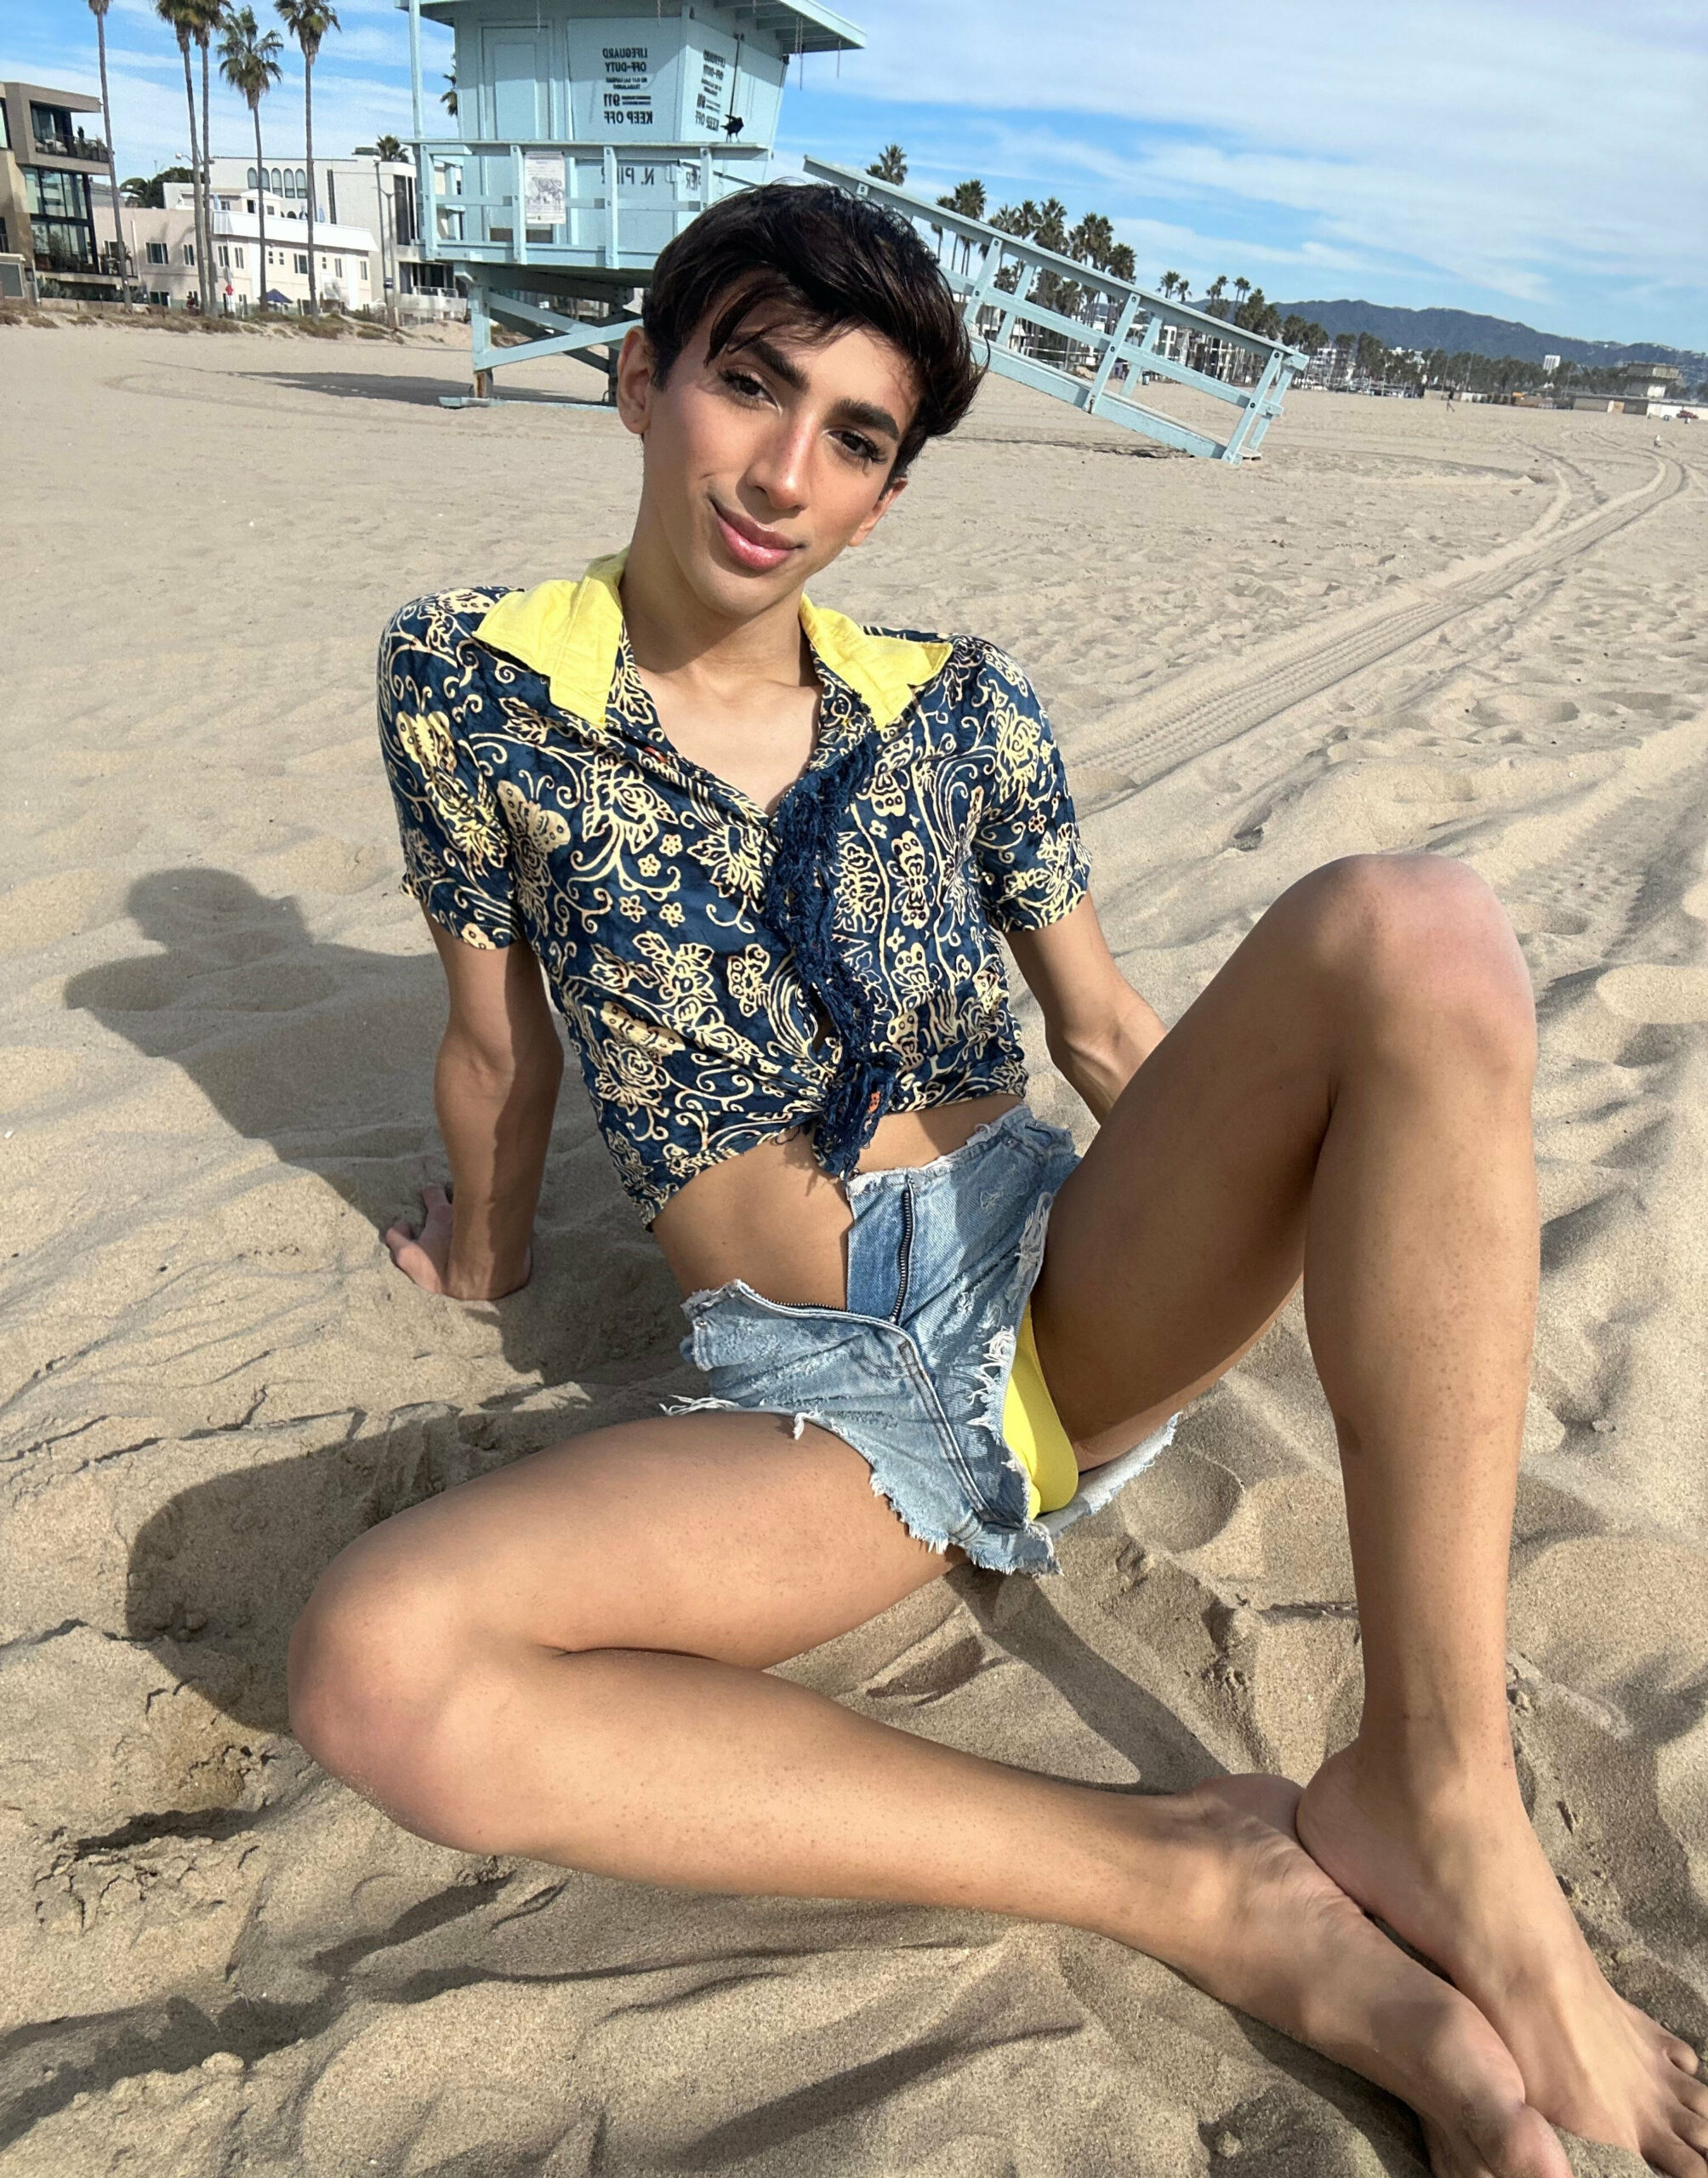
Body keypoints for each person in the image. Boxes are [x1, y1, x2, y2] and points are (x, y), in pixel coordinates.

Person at [288, 185, 1705, 2178]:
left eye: (853, 436)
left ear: (886, 496)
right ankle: (1186, 1875)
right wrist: (482, 1252)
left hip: (1060, 1279)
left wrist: (1303, 1205)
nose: (782, 470)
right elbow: (495, 1044)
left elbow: (1107, 1032)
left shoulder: (956, 701)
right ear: (639, 380)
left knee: (1419, 927)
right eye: (748, 384)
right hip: (827, 1398)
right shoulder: (474, 684)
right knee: (379, 1660)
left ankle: (1437, 1787)